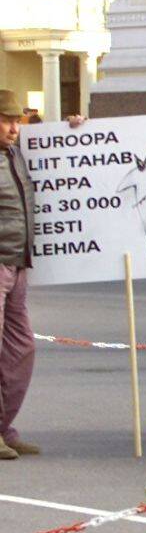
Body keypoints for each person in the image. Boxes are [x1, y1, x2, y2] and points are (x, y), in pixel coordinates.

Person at [0, 91, 38, 459]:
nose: (14, 128)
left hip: (17, 261)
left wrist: (75, 128)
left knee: (21, 347)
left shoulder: (15, 153)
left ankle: (3, 427)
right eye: (7, 120)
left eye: (17, 121)